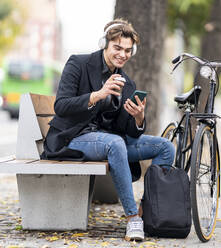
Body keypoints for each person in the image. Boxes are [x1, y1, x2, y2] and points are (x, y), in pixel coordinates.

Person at [41, 18, 175, 241]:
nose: (122, 54)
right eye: (118, 48)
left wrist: (138, 118)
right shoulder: (79, 64)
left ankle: (147, 212)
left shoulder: (126, 83)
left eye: (128, 50)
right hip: (73, 137)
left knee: (165, 147)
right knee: (115, 143)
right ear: (105, 43)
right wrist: (98, 95)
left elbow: (128, 131)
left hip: (110, 142)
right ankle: (132, 219)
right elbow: (61, 106)